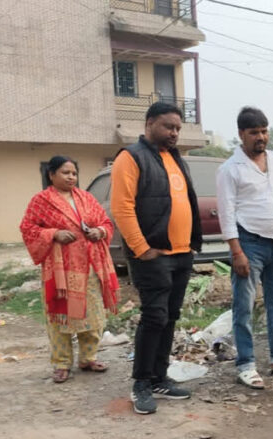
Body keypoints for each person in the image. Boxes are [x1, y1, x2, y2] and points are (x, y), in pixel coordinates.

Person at [110, 101, 201, 415]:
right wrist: (142, 248)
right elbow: (122, 207)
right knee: (154, 317)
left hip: (181, 253)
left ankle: (160, 377)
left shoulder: (175, 158)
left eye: (177, 128)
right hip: (153, 255)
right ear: (149, 124)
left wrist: (190, 245)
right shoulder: (131, 157)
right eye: (168, 126)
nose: (174, 133)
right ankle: (142, 383)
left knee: (171, 316)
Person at [216, 106, 273, 388]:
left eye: (264, 131)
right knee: (244, 306)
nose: (261, 137)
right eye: (254, 132)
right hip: (249, 243)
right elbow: (227, 213)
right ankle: (245, 364)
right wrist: (237, 252)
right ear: (241, 134)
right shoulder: (230, 169)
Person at [20, 155, 120, 384]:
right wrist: (54, 234)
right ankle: (61, 363)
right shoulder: (41, 201)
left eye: (74, 173)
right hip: (60, 271)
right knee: (60, 317)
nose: (71, 177)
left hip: (90, 266)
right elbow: (28, 228)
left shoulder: (86, 198)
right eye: (65, 173)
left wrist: (99, 232)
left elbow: (105, 222)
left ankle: (88, 358)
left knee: (92, 314)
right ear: (51, 175)